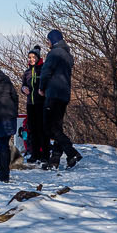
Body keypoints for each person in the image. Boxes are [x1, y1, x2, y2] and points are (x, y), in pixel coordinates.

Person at [39, 29, 82, 168]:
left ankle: (71, 152)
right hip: (64, 95)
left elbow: (46, 72)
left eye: (49, 40)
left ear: (53, 40)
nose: (48, 43)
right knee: (57, 127)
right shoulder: (68, 55)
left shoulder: (54, 53)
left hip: (53, 94)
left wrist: (42, 88)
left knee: (48, 127)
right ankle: (55, 160)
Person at [21, 47, 47, 166]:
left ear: (38, 58)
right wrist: (23, 89)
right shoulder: (26, 72)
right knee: (32, 129)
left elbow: (48, 84)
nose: (31, 59)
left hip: (41, 104)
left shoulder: (43, 70)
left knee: (42, 129)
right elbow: (23, 85)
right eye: (30, 57)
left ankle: (45, 154)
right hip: (30, 104)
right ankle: (34, 153)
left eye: (33, 57)